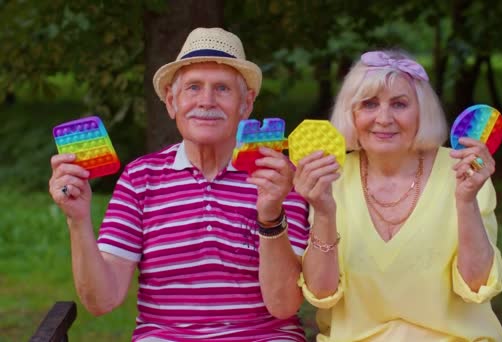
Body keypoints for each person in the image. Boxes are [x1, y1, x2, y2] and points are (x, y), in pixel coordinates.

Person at [48, 27, 309, 342]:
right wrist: (77, 220)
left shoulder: (278, 176)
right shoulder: (139, 178)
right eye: (193, 88)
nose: (206, 101)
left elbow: (283, 305)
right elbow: (101, 300)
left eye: (223, 89)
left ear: (246, 103)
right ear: (172, 102)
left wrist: (270, 215)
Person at [293, 50, 502, 341]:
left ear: (422, 111)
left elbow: (476, 285)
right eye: (369, 104)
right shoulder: (332, 177)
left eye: (399, 104)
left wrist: (466, 201)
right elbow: (321, 293)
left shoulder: (463, 171)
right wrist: (325, 212)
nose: (384, 118)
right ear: (350, 114)